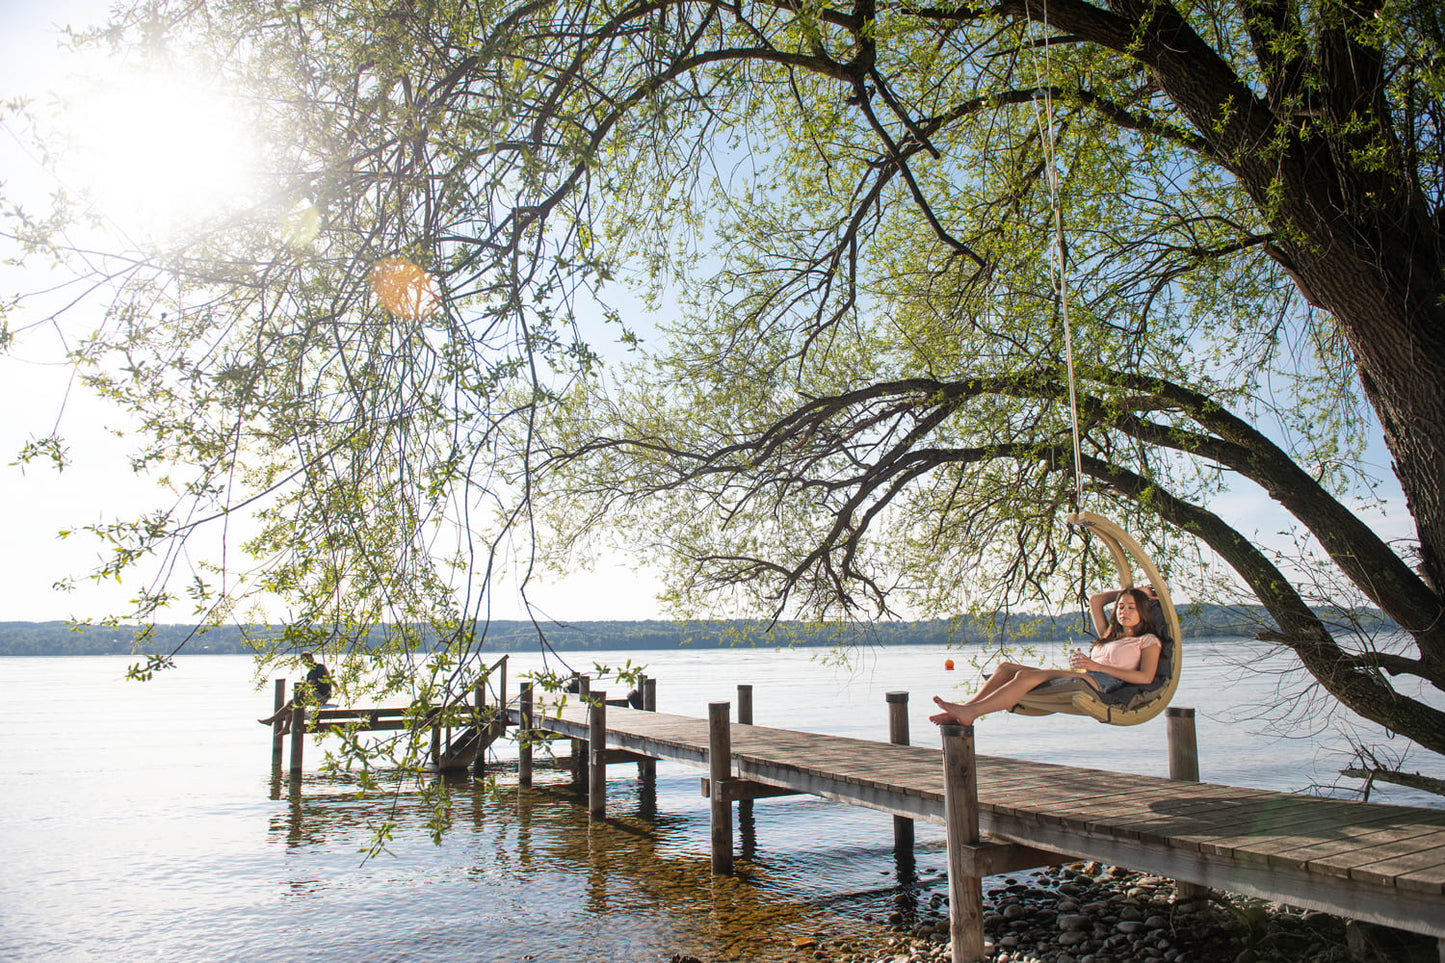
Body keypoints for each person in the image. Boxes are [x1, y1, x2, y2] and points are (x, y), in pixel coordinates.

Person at [929, 586, 1163, 727]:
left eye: (1132, 607)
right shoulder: (1110, 635)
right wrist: (1129, 590)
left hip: (1100, 682)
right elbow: (1096, 601)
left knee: (1021, 676)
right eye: (1121, 607)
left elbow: (1144, 677)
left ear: (1143, 611)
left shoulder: (1147, 641)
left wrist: (1097, 666)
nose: (1124, 612)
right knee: (1005, 668)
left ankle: (969, 713)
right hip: (1084, 674)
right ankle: (964, 710)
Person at [257, 651, 334, 734]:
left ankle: (271, 720)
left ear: (312, 658)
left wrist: (300, 691)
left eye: (307, 658)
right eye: (304, 660)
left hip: (322, 696)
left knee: (293, 702)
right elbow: (308, 687)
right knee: (292, 704)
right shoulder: (309, 673)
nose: (306, 661)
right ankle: (285, 728)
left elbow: (311, 683)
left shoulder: (319, 667)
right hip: (314, 696)